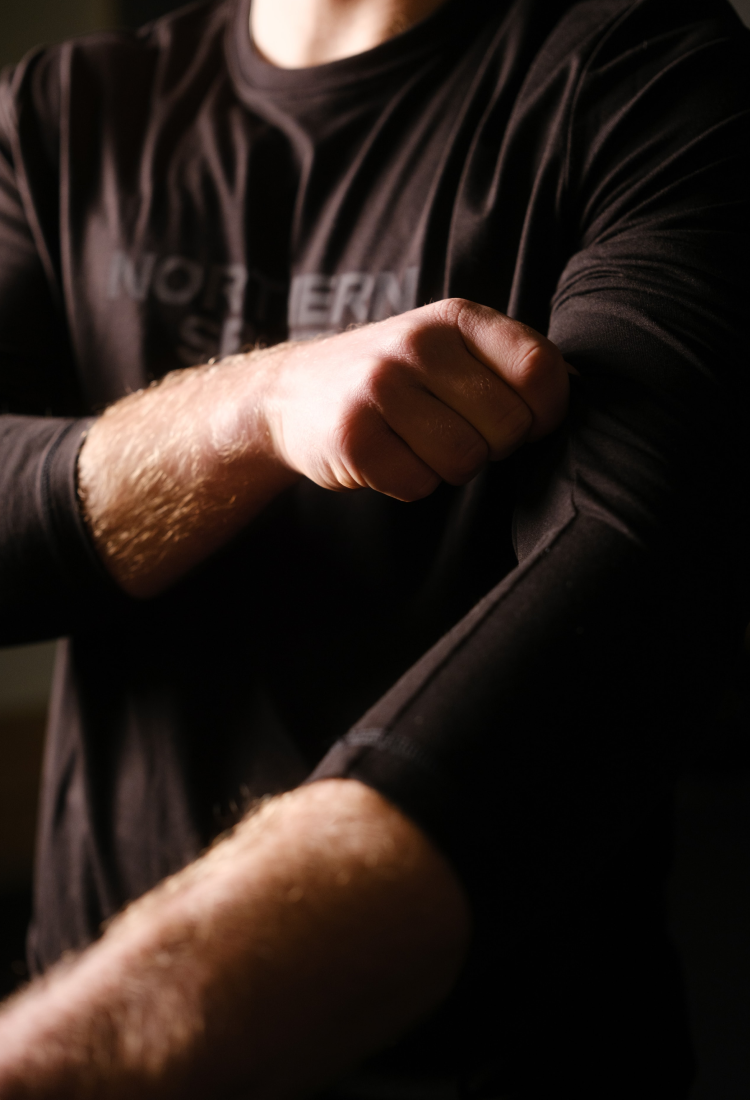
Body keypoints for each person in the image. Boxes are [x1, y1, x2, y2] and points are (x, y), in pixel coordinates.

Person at [0, 0, 748, 1094]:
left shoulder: (654, 84)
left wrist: (78, 1052)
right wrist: (247, 412)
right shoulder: (60, 112)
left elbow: (623, 613)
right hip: (77, 984)